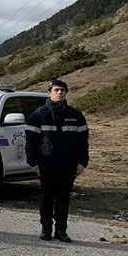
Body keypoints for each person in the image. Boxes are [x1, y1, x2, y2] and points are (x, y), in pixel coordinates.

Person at [25, 79, 89, 243]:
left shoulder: (75, 115)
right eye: (56, 90)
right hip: (47, 162)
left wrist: (83, 162)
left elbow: (83, 141)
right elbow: (31, 141)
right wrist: (33, 162)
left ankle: (61, 231)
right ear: (49, 93)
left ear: (66, 93)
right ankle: (46, 229)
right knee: (47, 197)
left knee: (63, 198)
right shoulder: (39, 114)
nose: (59, 93)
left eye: (62, 90)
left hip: (68, 163)